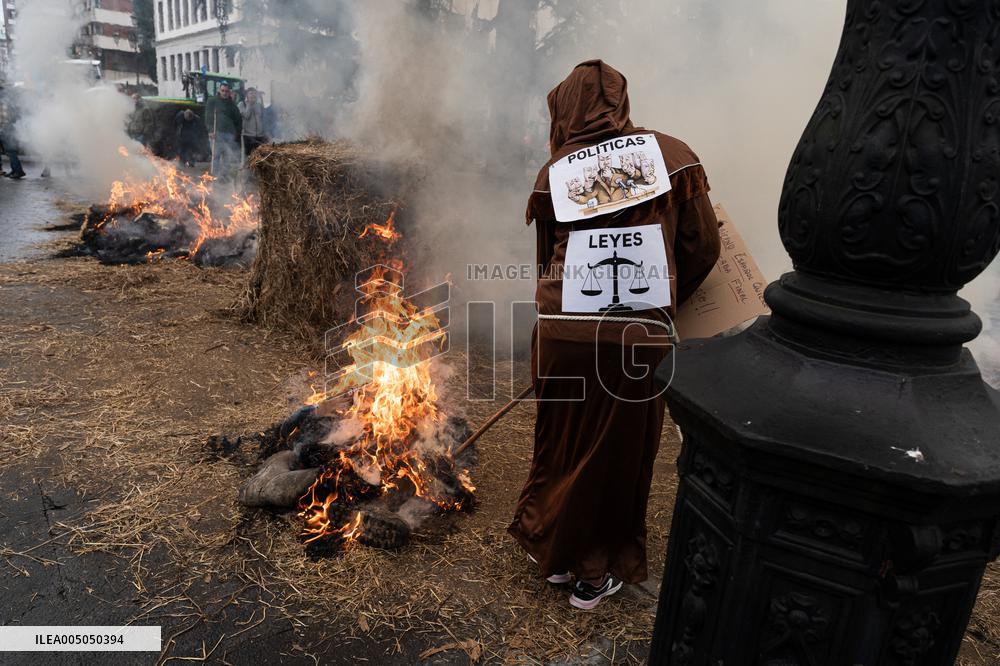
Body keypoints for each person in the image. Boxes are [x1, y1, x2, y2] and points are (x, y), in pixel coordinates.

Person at [508, 60, 721, 610]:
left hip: (562, 333)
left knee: (562, 443)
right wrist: (667, 301)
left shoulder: (555, 172)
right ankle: (593, 569)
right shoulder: (672, 156)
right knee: (618, 454)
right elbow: (702, 248)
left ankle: (555, 553)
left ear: (565, 109)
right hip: (635, 335)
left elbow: (546, 260)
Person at [204, 81, 242, 178]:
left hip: (229, 134)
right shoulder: (212, 101)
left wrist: (237, 133)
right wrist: (210, 130)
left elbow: (238, 120)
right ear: (219, 90)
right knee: (216, 155)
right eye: (223, 90)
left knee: (227, 156)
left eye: (226, 91)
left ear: (229, 92)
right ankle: (214, 176)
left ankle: (224, 176)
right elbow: (208, 117)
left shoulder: (232, 105)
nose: (224, 93)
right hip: (216, 133)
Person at [238, 86, 267, 158]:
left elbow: (263, 118)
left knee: (260, 158)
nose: (253, 95)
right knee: (249, 158)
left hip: (260, 136)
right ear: (246, 95)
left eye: (254, 93)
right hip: (248, 136)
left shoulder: (259, 105)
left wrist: (265, 133)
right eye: (251, 93)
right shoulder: (242, 104)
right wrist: (249, 104)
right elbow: (246, 116)